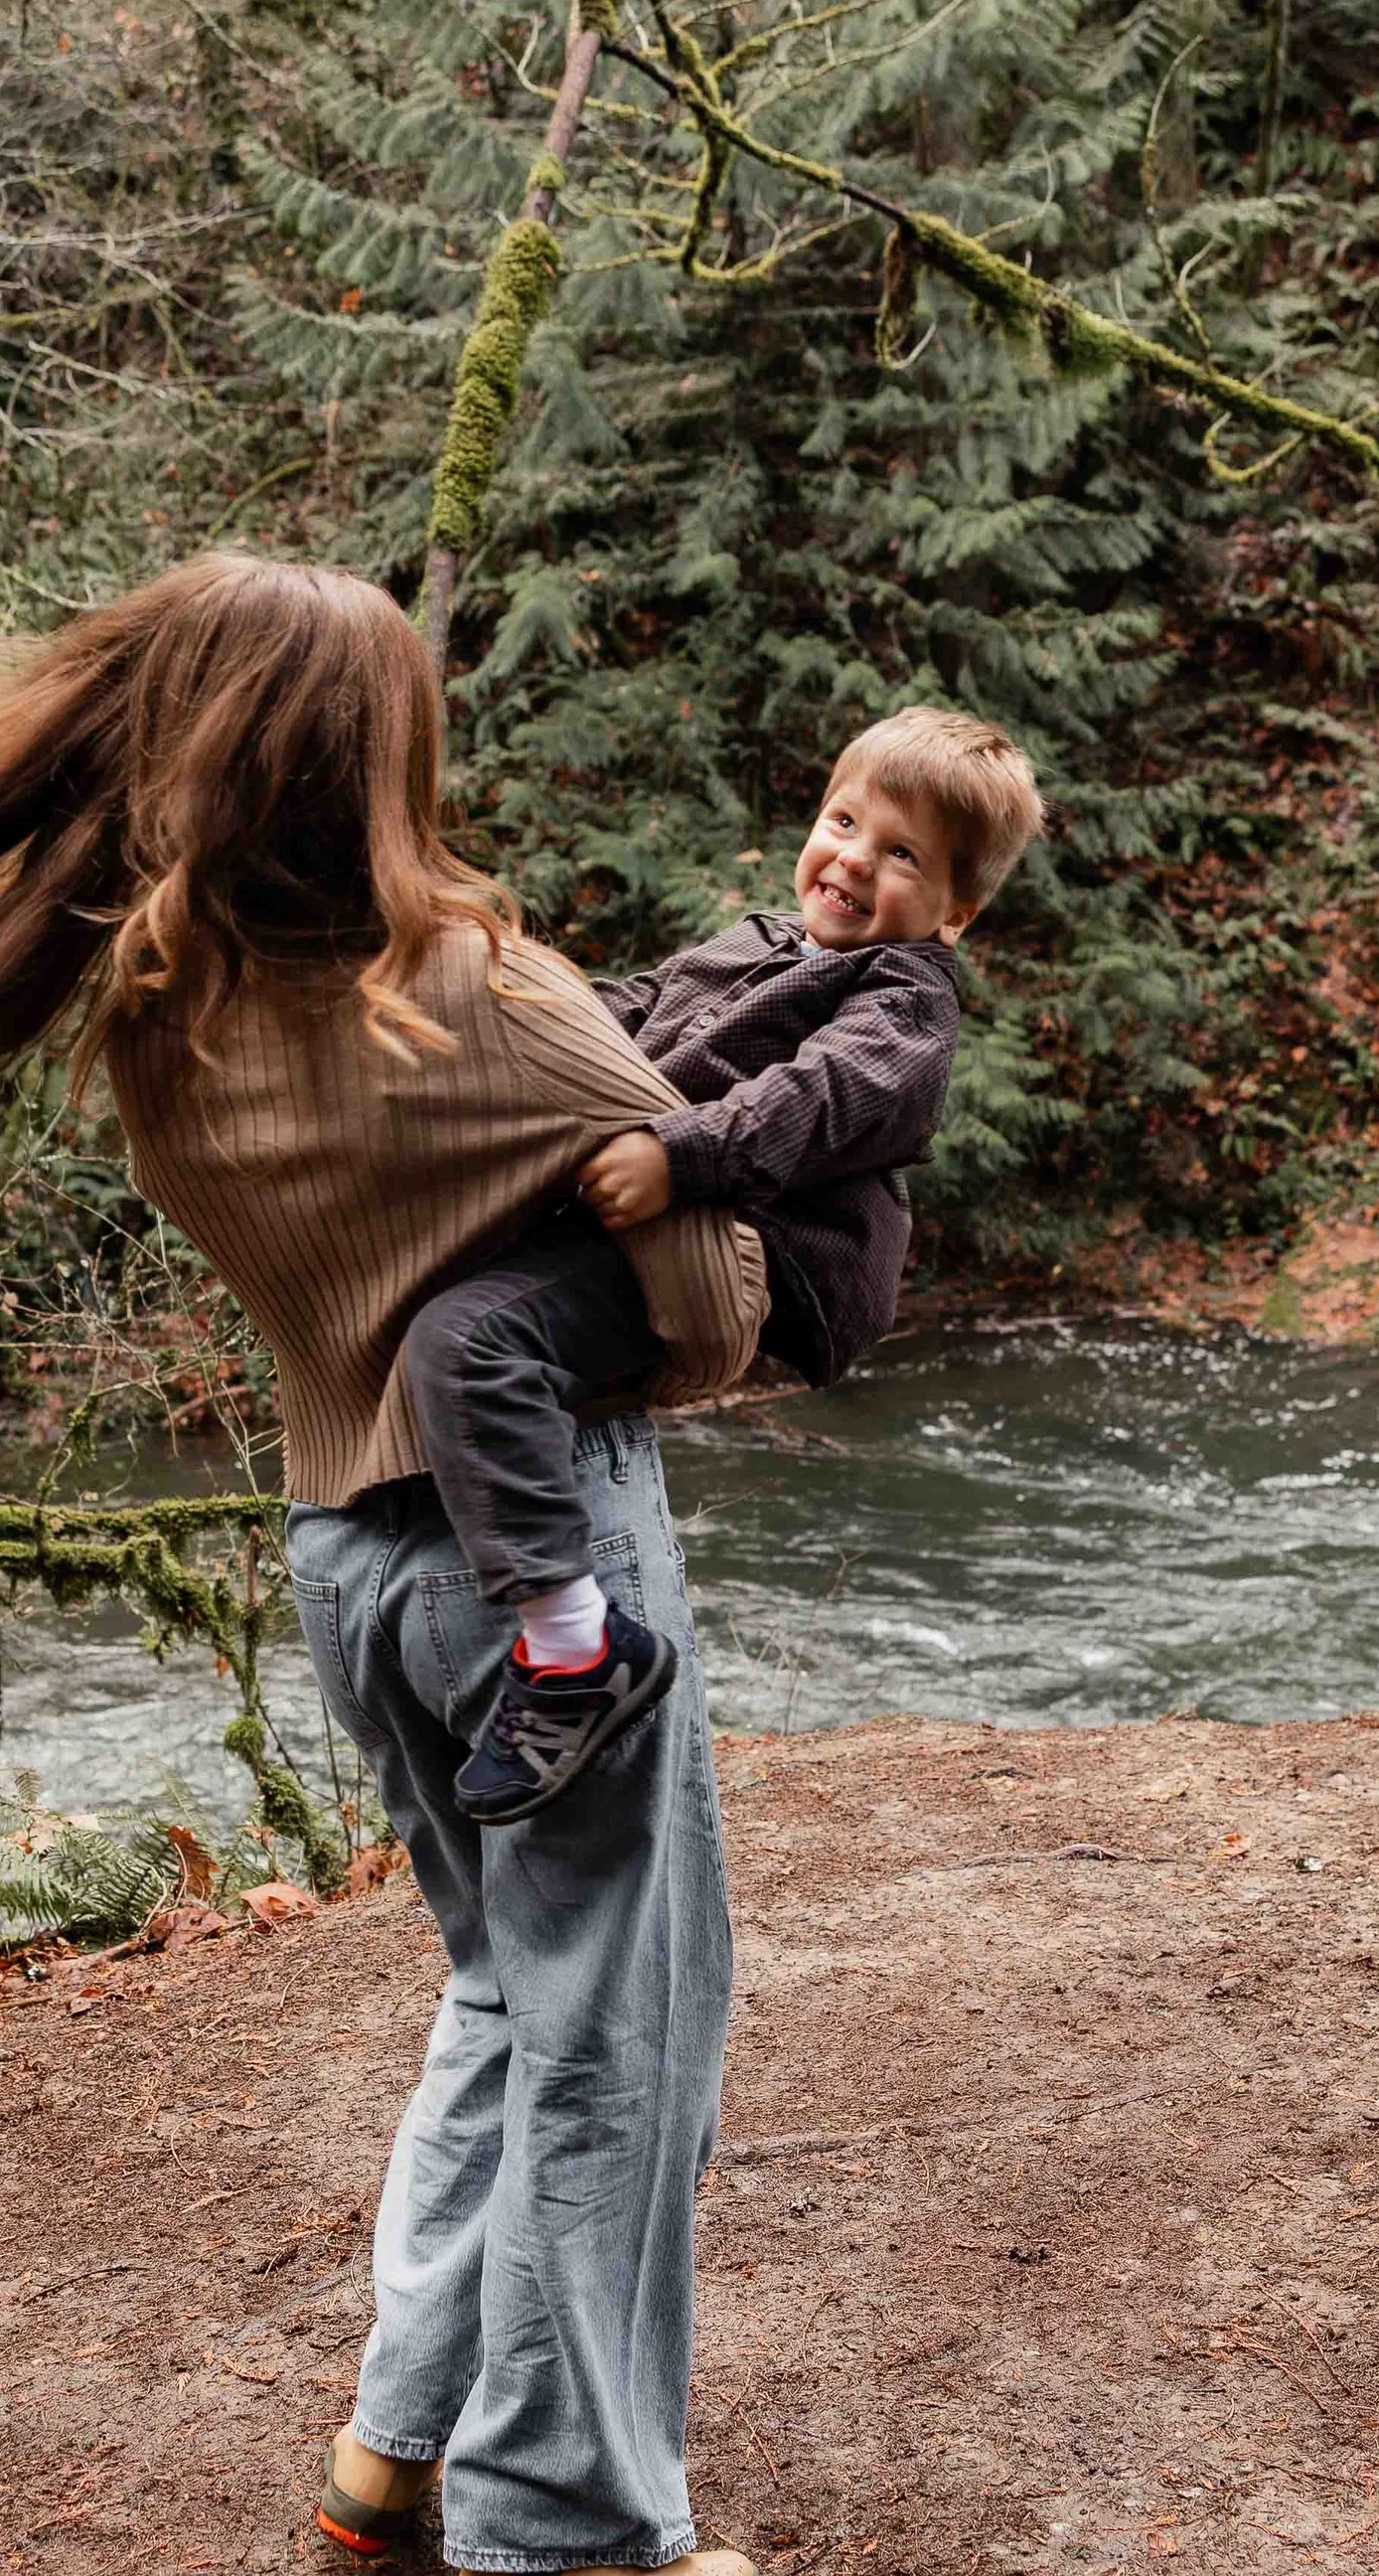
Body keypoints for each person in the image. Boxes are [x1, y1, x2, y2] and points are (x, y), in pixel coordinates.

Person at [0, 553, 774, 2576]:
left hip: (342, 1556)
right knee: (618, 2030)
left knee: (508, 1994)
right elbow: (696, 1314)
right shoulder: (484, 995)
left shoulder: (161, 1018)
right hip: (538, 1565)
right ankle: (553, 2529)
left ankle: (400, 2443)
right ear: (375, 760)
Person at [404, 707, 1042, 1828]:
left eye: (902, 855)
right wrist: (489, 1031)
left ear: (956, 913)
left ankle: (573, 1649)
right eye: (843, 820)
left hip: (768, 1252)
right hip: (666, 1203)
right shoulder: (750, 941)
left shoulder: (904, 1002)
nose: (852, 858)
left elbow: (813, 1100)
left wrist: (673, 1154)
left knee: (471, 1339)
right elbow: (614, 1018)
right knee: (467, 1287)